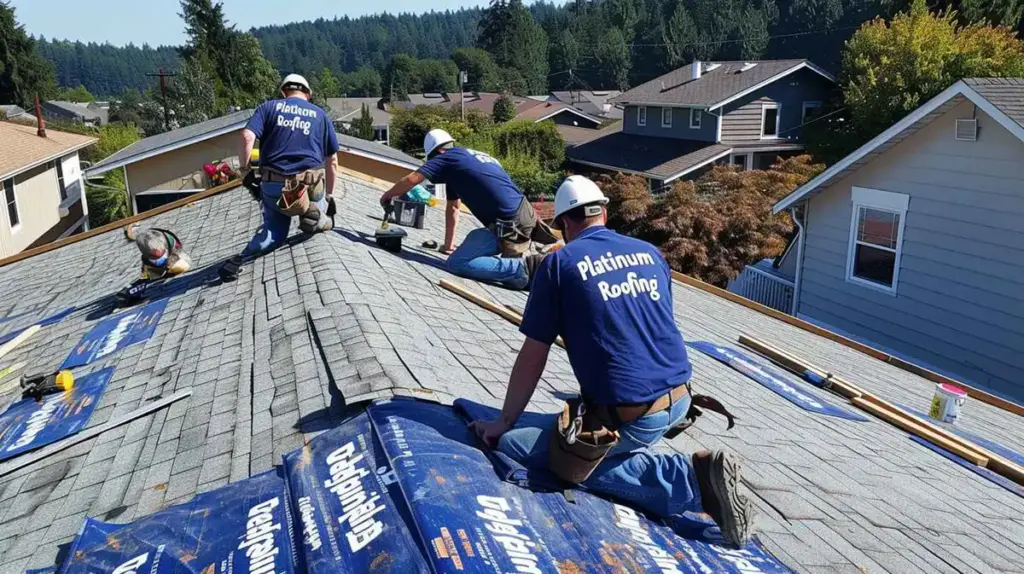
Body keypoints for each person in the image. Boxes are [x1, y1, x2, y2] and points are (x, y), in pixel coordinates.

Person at [468, 175, 754, 546]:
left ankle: (693, 479)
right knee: (545, 426)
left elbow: (532, 356)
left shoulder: (559, 265)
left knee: (519, 445)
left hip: (633, 415)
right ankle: (670, 459)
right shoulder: (649, 252)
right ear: (603, 212)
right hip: (681, 397)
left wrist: (502, 422)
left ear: (566, 224)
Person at [378, 129, 558, 290]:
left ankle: (524, 266)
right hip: (524, 214)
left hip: (510, 223)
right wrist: (448, 246)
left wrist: (388, 195)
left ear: (437, 152)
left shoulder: (446, 158)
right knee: (473, 238)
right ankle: (529, 262)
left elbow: (412, 179)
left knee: (459, 264)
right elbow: (454, 208)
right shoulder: (463, 162)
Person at [220, 74, 338, 281]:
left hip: (274, 186)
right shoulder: (320, 115)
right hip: (307, 185)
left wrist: (246, 171)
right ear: (308, 94)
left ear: (284, 92)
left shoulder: (268, 108)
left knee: (273, 235)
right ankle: (316, 217)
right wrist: (330, 195)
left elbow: (247, 136)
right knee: (320, 215)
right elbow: (333, 160)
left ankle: (240, 259)